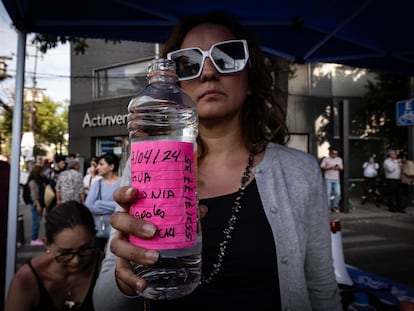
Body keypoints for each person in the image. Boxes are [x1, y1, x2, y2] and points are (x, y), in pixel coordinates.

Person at [92, 12, 342, 310]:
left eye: (227, 56)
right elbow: (103, 303)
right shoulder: (145, 167)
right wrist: (125, 277)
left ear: (250, 78)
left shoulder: (299, 171)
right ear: (175, 83)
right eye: (189, 62)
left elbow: (322, 289)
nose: (208, 72)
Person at [5, 200, 104, 310]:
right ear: (47, 244)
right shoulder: (27, 280)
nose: (76, 261)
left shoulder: (106, 269)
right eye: (65, 253)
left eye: (85, 249)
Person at [85, 152, 121, 251]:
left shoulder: (122, 183)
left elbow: (126, 207)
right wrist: (115, 207)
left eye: (101, 164)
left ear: (111, 166)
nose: (97, 168)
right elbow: (89, 206)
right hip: (100, 229)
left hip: (119, 229)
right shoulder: (97, 184)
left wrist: (99, 204)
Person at [27, 164, 46, 246]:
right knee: (36, 222)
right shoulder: (33, 182)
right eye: (42, 171)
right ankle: (34, 239)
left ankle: (35, 238)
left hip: (38, 204)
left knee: (37, 221)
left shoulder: (39, 180)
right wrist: (38, 205)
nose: (43, 173)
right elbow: (34, 195)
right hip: (36, 204)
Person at [320, 146, 344, 213]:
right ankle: (328, 207)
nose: (334, 155)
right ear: (330, 153)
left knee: (338, 193)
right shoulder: (326, 159)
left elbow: (342, 168)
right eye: (333, 153)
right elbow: (322, 167)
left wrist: (338, 167)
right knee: (328, 194)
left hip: (336, 179)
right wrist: (330, 167)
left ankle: (335, 206)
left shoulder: (339, 159)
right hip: (328, 178)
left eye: (336, 154)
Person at [383, 149, 404, 213]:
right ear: (390, 155)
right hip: (391, 179)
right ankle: (391, 208)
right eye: (394, 154)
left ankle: (399, 208)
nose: (395, 155)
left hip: (398, 179)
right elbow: (390, 169)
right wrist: (397, 163)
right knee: (391, 194)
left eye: (395, 154)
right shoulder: (386, 161)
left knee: (399, 195)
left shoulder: (397, 161)